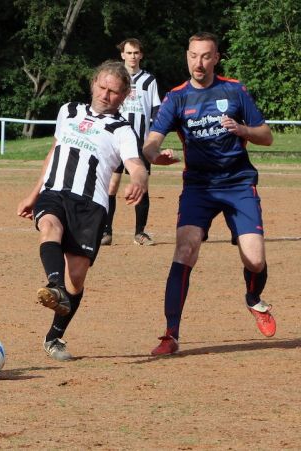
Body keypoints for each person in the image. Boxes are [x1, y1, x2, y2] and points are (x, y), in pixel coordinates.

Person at [17, 60, 175, 361]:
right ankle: (53, 284)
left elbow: (136, 166)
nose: (106, 95)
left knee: (76, 278)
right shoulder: (68, 111)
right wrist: (33, 194)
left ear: (125, 96)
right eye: (102, 87)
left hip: (91, 206)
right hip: (55, 192)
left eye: (114, 91)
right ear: (93, 85)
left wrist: (139, 182)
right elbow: (54, 152)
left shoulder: (122, 130)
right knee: (50, 227)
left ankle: (54, 337)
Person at [142, 32, 275, 356]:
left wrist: (243, 130)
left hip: (238, 182)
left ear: (216, 58)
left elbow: (267, 136)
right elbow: (152, 139)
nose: (198, 63)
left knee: (255, 260)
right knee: (185, 250)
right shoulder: (176, 98)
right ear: (186, 56)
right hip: (198, 186)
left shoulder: (234, 90)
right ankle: (171, 334)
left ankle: (253, 298)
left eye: (205, 56)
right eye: (193, 55)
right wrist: (153, 155)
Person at [101, 38, 162, 246]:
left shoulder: (149, 81)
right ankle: (106, 231)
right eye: (129, 53)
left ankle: (140, 233)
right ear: (122, 55)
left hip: (141, 143)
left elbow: (156, 110)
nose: (133, 56)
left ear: (141, 55)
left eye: (136, 53)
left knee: (141, 185)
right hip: (115, 140)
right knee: (111, 185)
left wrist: (155, 137)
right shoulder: (115, 79)